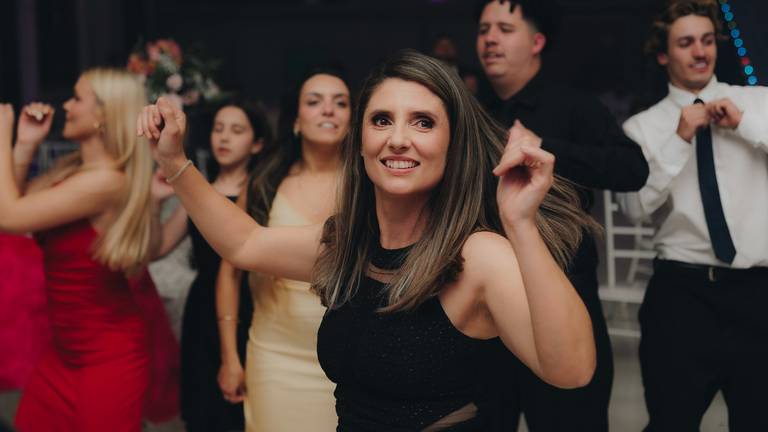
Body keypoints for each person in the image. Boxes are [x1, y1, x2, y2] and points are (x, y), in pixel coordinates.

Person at [139, 49, 598, 431]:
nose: (398, 139)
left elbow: (572, 370)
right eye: (381, 120)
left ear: (453, 144)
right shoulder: (348, 244)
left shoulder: (477, 255)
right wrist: (174, 161)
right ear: (359, 143)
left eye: (423, 122)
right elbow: (244, 244)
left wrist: (521, 224)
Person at [474, 1, 650, 430]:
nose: (490, 39)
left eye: (504, 29)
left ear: (536, 42)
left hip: (565, 294)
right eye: (483, 29)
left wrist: (545, 146)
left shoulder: (573, 105)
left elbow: (632, 169)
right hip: (483, 307)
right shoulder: (471, 110)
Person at [616, 1, 768, 430]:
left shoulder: (759, 102)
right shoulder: (641, 129)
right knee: (671, 421)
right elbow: (632, 208)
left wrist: (745, 126)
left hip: (758, 296)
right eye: (686, 43)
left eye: (706, 41)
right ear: (664, 55)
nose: (700, 52)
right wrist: (678, 140)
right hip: (682, 297)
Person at [0, 68, 159, 432]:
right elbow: (16, 206)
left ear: (104, 114)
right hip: (63, 351)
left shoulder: (107, 181)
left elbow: (8, 216)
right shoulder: (72, 171)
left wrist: (1, 134)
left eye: (76, 98)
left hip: (108, 358)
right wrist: (24, 144)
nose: (66, 106)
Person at [215, 66, 350, 431]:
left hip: (350, 359)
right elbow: (229, 271)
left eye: (340, 103)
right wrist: (230, 356)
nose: (328, 109)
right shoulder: (265, 183)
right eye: (315, 101)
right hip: (275, 355)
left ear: (353, 120)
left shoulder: (368, 186)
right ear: (296, 119)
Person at [152, 99, 270, 432]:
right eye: (219, 129)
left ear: (257, 143)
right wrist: (154, 199)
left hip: (250, 307)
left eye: (237, 130)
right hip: (202, 309)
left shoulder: (263, 193)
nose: (224, 137)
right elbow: (157, 247)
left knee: (242, 412)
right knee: (203, 409)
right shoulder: (198, 191)